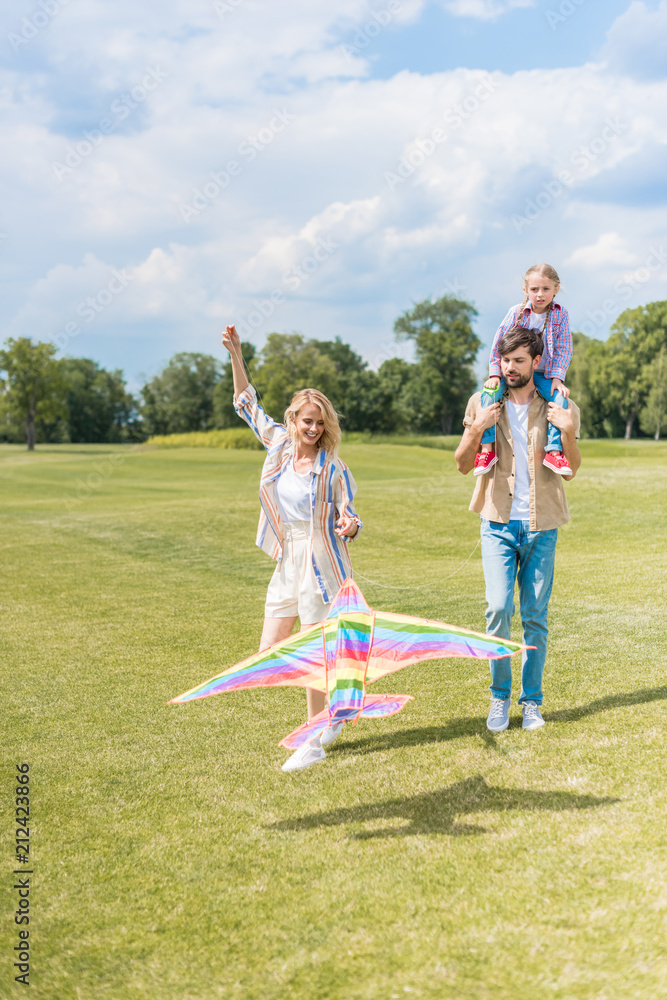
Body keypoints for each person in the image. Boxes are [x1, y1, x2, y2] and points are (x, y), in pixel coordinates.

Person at [222, 324, 361, 771]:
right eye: (307, 422)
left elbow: (350, 513)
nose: (314, 430)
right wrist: (237, 354)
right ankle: (342, 701)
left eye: (320, 424)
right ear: (294, 420)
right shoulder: (280, 445)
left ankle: (314, 738)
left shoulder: (332, 467)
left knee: (312, 650)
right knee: (270, 649)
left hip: (322, 560)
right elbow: (247, 404)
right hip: (288, 556)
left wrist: (349, 523)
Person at [455, 325, 581, 733]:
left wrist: (567, 431)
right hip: (497, 523)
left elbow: (573, 468)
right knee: (497, 609)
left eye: (519, 361)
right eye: (506, 360)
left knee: (535, 617)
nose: (510, 368)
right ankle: (499, 697)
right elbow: (461, 463)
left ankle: (531, 702)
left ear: (537, 362)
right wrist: (476, 428)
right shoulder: (483, 401)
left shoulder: (559, 403)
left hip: (542, 526)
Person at [474, 263, 573, 478]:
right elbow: (498, 342)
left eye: (546, 289)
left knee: (560, 399)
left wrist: (557, 378)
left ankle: (554, 451)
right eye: (534, 289)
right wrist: (494, 374)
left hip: (544, 374)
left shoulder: (560, 315)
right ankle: (486, 450)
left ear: (556, 289)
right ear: (525, 290)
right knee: (488, 396)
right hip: (516, 371)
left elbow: (564, 348)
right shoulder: (516, 313)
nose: (540, 295)